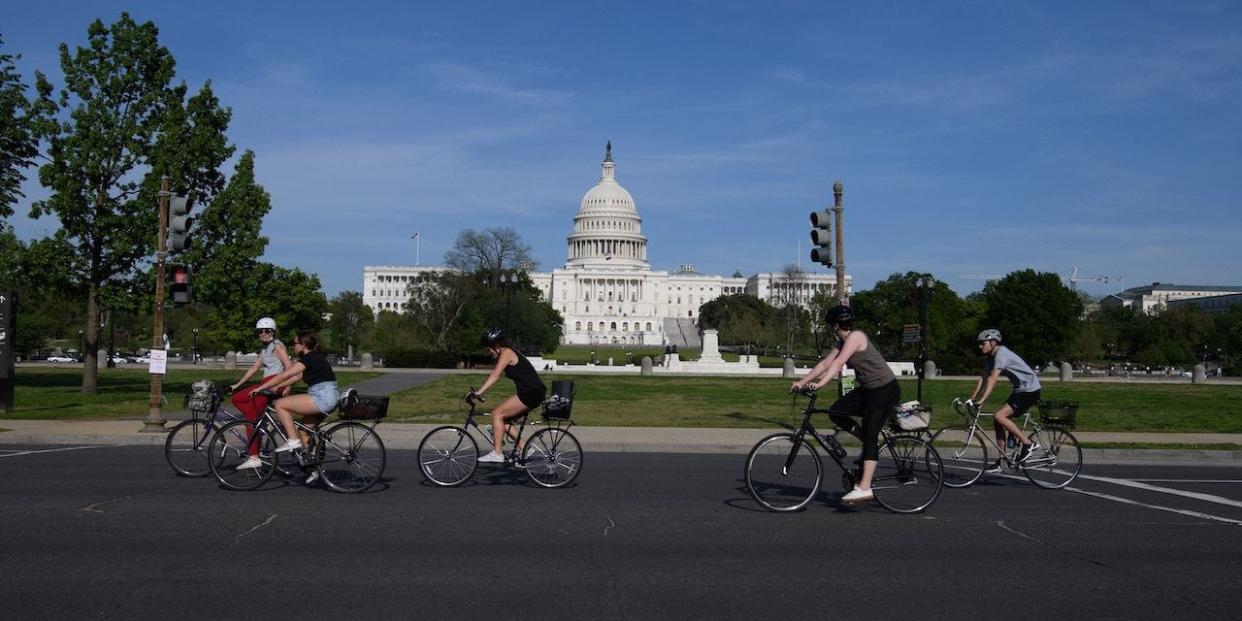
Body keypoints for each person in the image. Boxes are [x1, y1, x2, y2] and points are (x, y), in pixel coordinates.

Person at [790, 305, 899, 505]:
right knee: (836, 412)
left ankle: (864, 487)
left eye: (831, 325)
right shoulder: (842, 341)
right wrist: (802, 381)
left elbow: (839, 363)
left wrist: (821, 384)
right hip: (868, 389)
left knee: (870, 436)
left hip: (885, 390)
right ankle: (867, 444)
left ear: (835, 324)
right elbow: (825, 363)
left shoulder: (856, 337)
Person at [250, 332, 339, 457]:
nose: (293, 346)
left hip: (322, 397)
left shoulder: (308, 358)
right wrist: (276, 386)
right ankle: (312, 467)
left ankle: (292, 440)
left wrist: (261, 387)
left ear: (303, 345)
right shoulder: (316, 357)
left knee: (280, 404)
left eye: (295, 343)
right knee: (303, 431)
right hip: (329, 396)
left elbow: (286, 374)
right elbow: (296, 377)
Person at [967, 329, 1042, 471]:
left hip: (1030, 390)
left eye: (983, 343)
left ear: (993, 342)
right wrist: (972, 398)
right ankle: (1001, 462)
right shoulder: (991, 357)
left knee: (999, 415)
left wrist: (982, 400)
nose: (980, 346)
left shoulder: (1001, 354)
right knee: (997, 421)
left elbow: (993, 378)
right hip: (1020, 391)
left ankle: (1028, 444)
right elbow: (983, 378)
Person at [468, 328, 547, 464]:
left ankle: (497, 453)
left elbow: (495, 375)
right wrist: (480, 393)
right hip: (531, 392)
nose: (489, 352)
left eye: (489, 349)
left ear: (496, 345)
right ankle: (524, 448)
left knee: (496, 415)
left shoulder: (507, 353)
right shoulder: (507, 353)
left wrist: (479, 392)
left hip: (531, 392)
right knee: (503, 421)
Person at [229, 317, 293, 470]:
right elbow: (253, 369)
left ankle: (254, 456)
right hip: (266, 384)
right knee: (237, 398)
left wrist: (288, 386)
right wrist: (236, 385)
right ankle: (259, 422)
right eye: (260, 331)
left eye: (267, 331)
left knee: (250, 417)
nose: (263, 333)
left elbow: (288, 366)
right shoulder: (264, 350)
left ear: (273, 331)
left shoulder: (277, 346)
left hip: (274, 384)